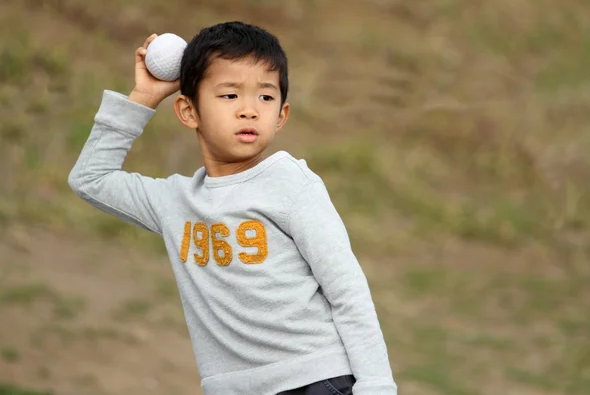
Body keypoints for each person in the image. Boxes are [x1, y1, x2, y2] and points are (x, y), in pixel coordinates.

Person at [68, 21, 397, 395]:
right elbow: (90, 179)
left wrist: (377, 386)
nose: (249, 110)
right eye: (229, 96)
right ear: (189, 112)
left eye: (266, 97)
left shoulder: (292, 184)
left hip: (315, 381)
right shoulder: (175, 202)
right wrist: (143, 96)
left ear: (282, 115)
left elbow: (347, 291)